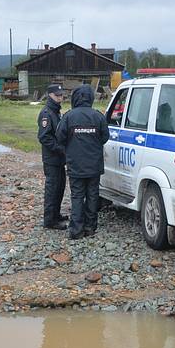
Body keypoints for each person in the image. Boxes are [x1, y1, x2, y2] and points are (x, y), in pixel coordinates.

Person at [55, 83, 110, 239]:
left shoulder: (68, 116)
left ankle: (76, 230)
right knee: (93, 195)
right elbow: (105, 137)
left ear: (75, 98)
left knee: (77, 195)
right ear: (91, 98)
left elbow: (60, 137)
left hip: (76, 165)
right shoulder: (98, 116)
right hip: (94, 165)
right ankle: (90, 227)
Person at [37, 83, 68, 229]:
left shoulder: (56, 112)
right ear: (49, 95)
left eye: (61, 95)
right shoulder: (47, 113)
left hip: (59, 158)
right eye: (57, 95)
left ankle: (56, 214)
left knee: (60, 187)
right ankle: (50, 221)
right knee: (52, 188)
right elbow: (44, 137)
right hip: (52, 158)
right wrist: (60, 148)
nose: (60, 98)